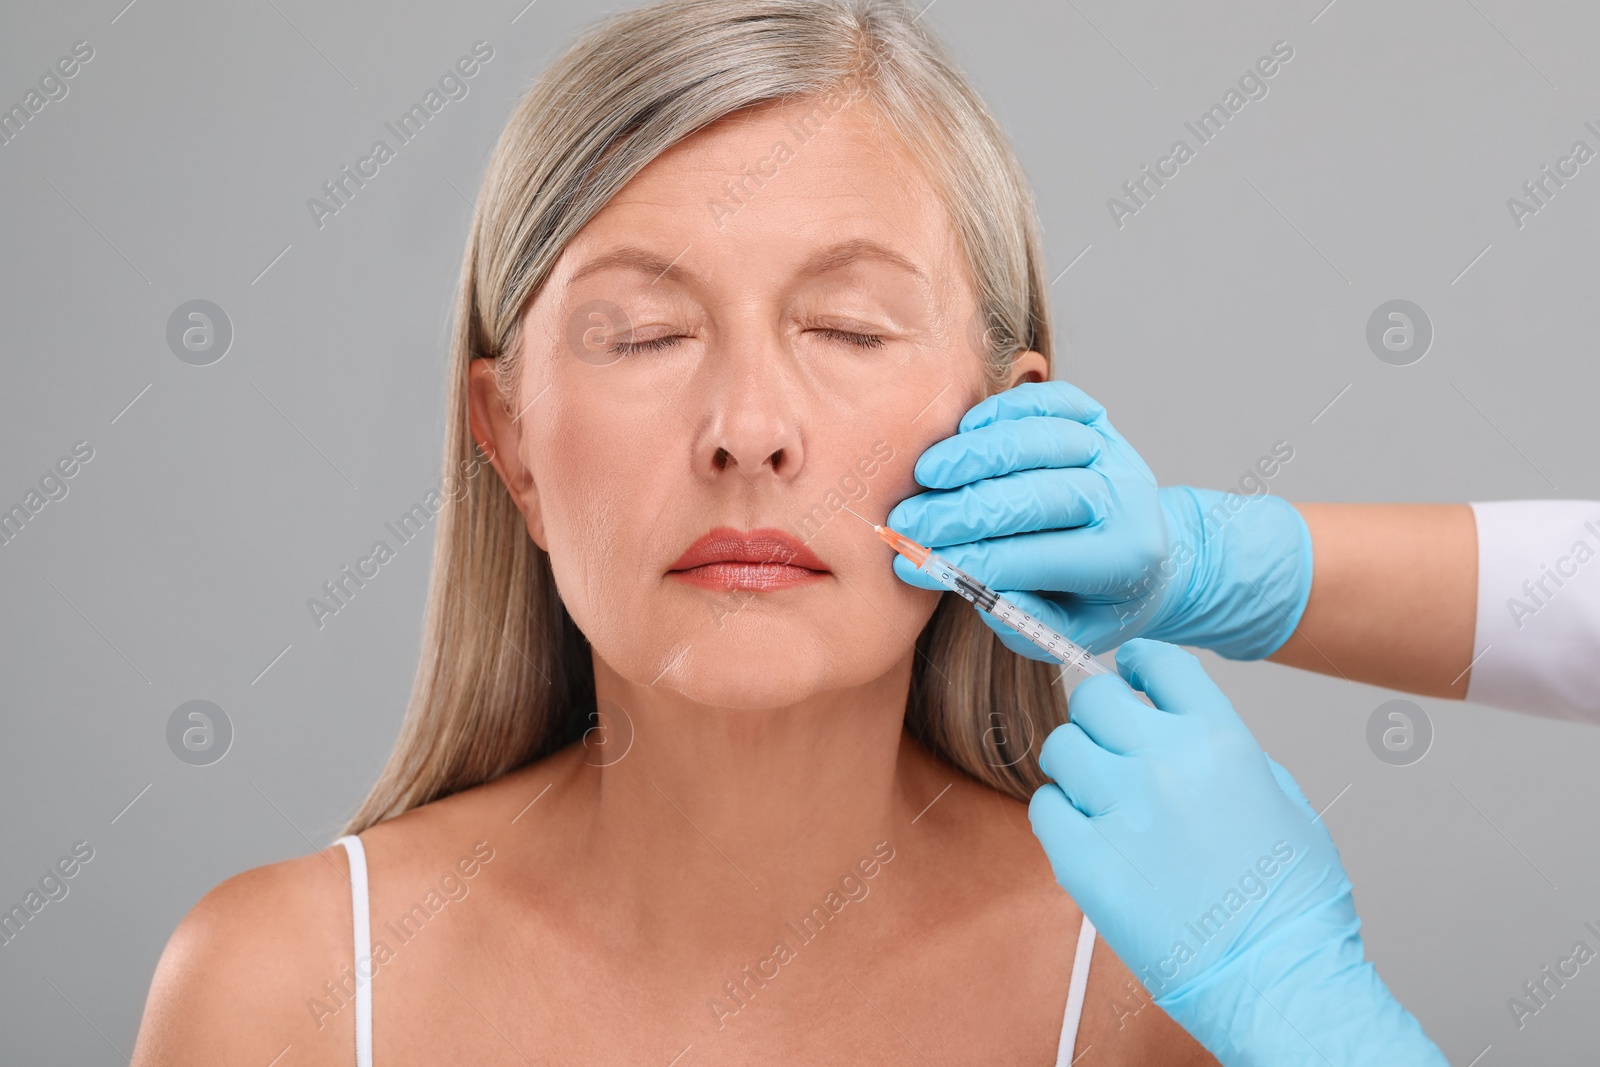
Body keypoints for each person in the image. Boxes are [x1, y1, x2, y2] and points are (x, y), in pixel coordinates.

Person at [130, 3, 1231, 1064]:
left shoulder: (1164, 993)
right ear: (508, 441)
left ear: (1008, 429)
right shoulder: (281, 994)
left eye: (848, 328)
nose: (747, 431)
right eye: (648, 334)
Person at [887, 378, 1598, 1063]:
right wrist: (1212, 563)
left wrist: (1287, 993)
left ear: (1009, 395)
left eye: (846, 328)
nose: (770, 432)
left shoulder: (1109, 982)